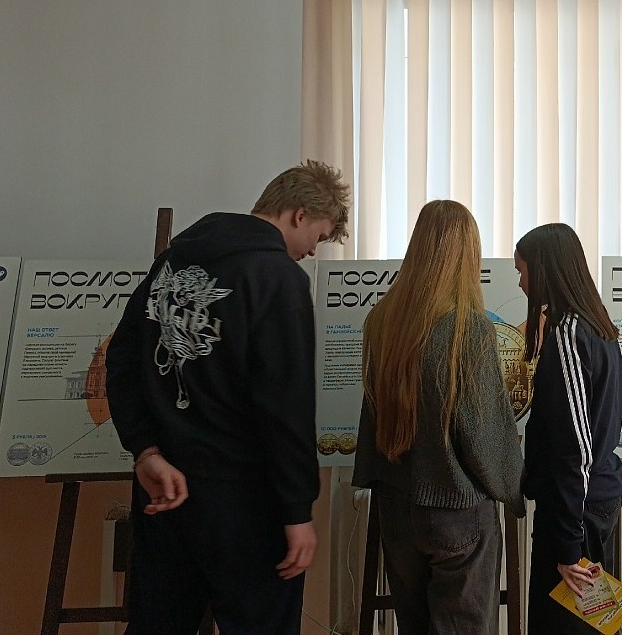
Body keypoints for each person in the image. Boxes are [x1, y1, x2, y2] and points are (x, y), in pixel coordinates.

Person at [106, 160, 351, 635]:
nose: (309, 252)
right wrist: (297, 510)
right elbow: (286, 406)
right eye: (317, 238)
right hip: (245, 502)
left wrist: (145, 450)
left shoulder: (172, 262)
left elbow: (121, 361)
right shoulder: (277, 277)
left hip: (165, 490)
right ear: (299, 215)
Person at [352, 200, 526, 635]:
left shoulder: (382, 320)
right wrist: (512, 488)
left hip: (396, 506)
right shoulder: (467, 327)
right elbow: (484, 431)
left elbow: (371, 414)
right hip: (456, 508)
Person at [513, 223, 622, 635]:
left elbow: (574, 447)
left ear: (545, 269)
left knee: (562, 627)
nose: (521, 283)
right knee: (593, 623)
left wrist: (566, 544)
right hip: (591, 499)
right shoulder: (597, 326)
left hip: (576, 509)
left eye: (523, 271)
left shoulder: (568, 334)